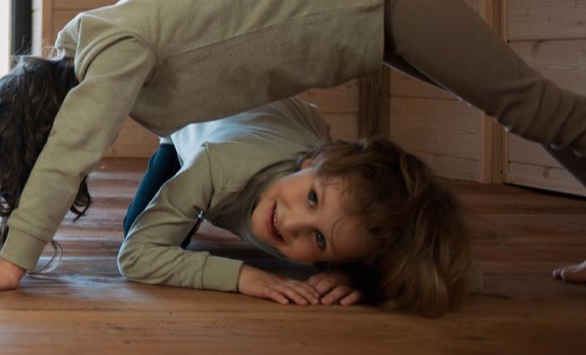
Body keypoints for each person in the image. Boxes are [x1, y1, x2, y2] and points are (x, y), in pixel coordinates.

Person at [0, 0, 586, 300]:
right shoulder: (104, 45)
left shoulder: (112, 48)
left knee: (529, 106)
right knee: (523, 108)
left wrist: (14, 261)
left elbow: (72, 150)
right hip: (362, 1)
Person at [114, 98, 476, 315]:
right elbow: (136, 255)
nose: (292, 222)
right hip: (193, 119)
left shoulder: (345, 227)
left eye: (319, 240)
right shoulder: (217, 166)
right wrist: (242, 277)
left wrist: (358, 281)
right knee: (140, 228)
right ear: (312, 162)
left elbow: (429, 269)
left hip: (290, 120)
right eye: (312, 198)